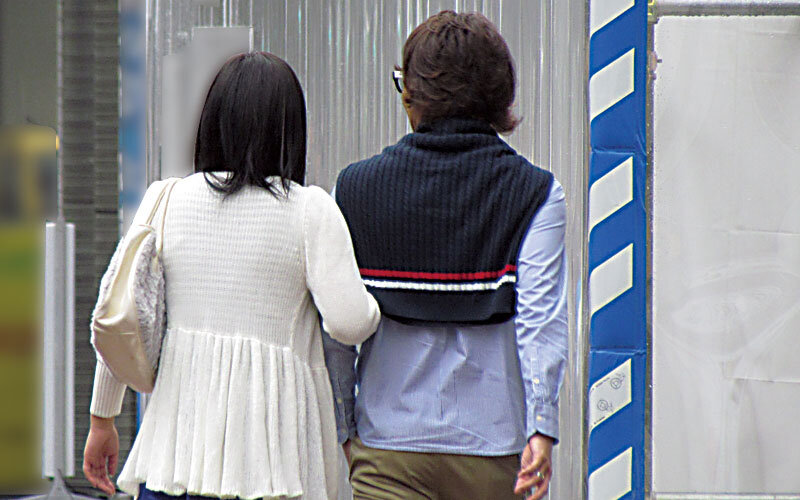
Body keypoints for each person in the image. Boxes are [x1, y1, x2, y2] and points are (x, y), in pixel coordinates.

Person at [83, 52, 380, 500]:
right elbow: (350, 322)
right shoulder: (310, 210)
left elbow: (123, 313)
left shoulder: (165, 199)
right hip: (275, 467)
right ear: (290, 131)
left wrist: (102, 420)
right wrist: (379, 303)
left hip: (173, 460)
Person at [323, 11, 568, 500]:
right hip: (495, 450)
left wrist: (344, 426)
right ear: (500, 94)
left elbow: (338, 328)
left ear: (413, 95)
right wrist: (541, 426)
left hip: (388, 448)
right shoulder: (536, 194)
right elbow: (540, 323)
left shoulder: (353, 190)